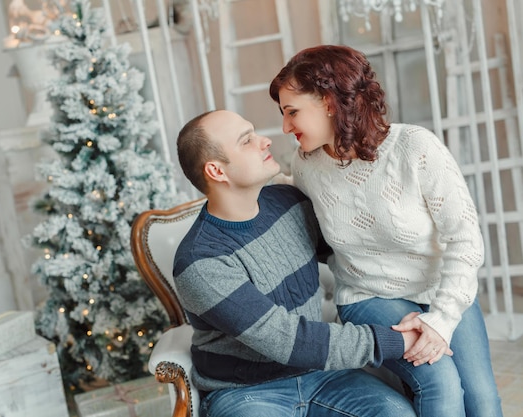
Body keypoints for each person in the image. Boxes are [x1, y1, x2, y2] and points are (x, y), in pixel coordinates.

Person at [269, 44, 503, 417]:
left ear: (329, 102)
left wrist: (440, 319)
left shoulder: (415, 147)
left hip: (440, 287)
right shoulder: (306, 165)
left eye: (292, 112)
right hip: (369, 296)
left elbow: (465, 239)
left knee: (483, 400)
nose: (285, 127)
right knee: (440, 382)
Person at [173, 109, 419, 417]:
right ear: (217, 171)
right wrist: (398, 340)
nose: (264, 141)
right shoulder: (200, 261)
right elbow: (288, 340)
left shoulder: (290, 202)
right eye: (246, 140)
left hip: (322, 375)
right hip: (246, 393)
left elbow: (359, 252)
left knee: (397, 414)